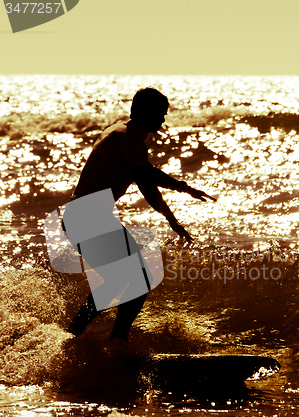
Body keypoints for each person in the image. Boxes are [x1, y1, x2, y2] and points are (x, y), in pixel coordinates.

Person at [64, 87, 216, 341]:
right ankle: (115, 341)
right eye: (160, 114)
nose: (163, 120)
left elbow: (145, 170)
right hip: (89, 217)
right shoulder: (131, 140)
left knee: (119, 280)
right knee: (140, 278)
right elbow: (145, 184)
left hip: (79, 215)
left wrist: (183, 187)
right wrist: (171, 219)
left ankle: (72, 336)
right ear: (144, 112)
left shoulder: (118, 131)